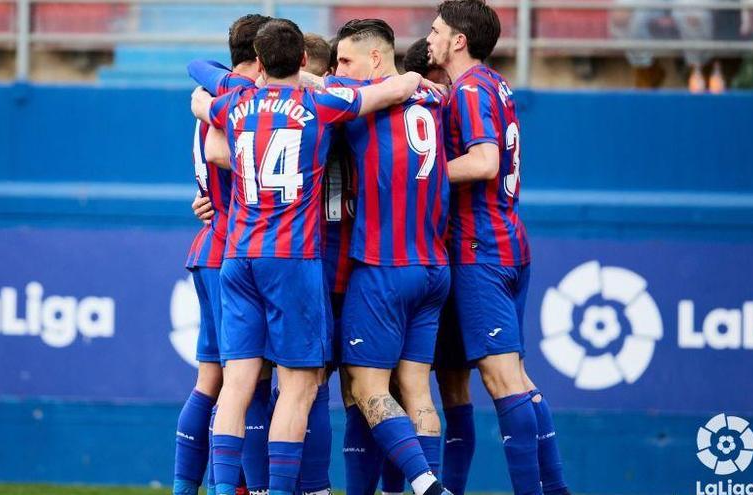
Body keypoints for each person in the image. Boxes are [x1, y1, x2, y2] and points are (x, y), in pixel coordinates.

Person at [190, 18, 425, 495]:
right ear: (302, 60)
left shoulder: (234, 100)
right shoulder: (319, 103)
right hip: (293, 258)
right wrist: (413, 79)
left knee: (235, 385)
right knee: (300, 386)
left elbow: (201, 81)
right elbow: (390, 91)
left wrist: (208, 99)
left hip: (238, 255)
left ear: (258, 62)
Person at [427, 1, 570, 494]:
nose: (430, 37)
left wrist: (419, 178)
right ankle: (554, 488)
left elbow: (485, 162)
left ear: (458, 40)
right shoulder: (494, 84)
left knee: (502, 381)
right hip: (505, 240)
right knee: (517, 379)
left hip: (480, 247)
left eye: (437, 30)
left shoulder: (468, 90)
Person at [323, 18, 451, 495]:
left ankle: (425, 484)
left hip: (384, 268)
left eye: (346, 60)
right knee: (417, 388)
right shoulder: (435, 99)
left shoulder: (360, 103)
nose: (339, 70)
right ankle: (428, 482)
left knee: (367, 388)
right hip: (435, 270)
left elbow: (308, 88)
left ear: (375, 59)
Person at [174, 13, 270, 495]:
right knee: (245, 381)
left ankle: (190, 487)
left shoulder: (212, 102)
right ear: (259, 60)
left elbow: (198, 64)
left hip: (210, 248)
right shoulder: (247, 105)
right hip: (241, 251)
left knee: (212, 379)